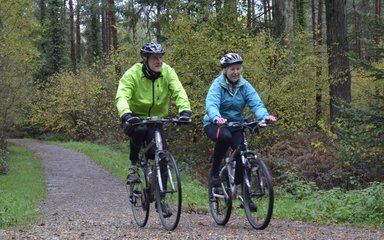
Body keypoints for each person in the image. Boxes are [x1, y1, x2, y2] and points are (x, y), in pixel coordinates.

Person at [203, 53, 276, 209]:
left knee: (244, 153)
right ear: (225, 70)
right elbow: (211, 105)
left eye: (238, 69)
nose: (236, 72)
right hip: (215, 124)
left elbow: (256, 103)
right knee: (225, 136)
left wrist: (265, 117)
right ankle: (215, 172)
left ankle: (244, 194)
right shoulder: (217, 85)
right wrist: (217, 118)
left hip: (236, 124)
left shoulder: (244, 86)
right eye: (232, 69)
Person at [115, 42, 191, 185]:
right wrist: (126, 114)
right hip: (134, 118)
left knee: (162, 157)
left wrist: (185, 111)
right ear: (145, 60)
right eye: (154, 58)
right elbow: (122, 95)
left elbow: (179, 91)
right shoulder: (133, 73)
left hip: (156, 120)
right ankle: (133, 166)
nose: (159, 61)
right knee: (140, 129)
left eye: (160, 57)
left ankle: (161, 201)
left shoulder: (167, 71)